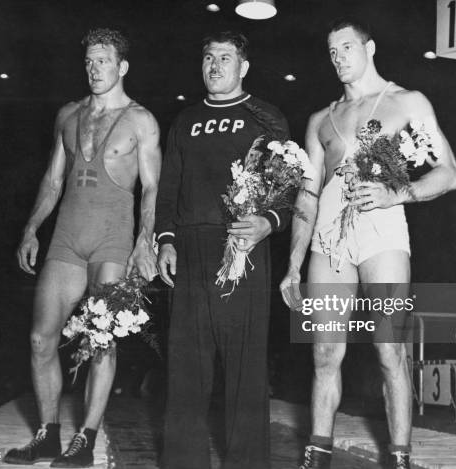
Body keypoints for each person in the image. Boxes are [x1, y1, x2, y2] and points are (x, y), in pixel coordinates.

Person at [280, 19, 456, 469]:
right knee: (324, 351)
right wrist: (293, 264)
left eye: (346, 47)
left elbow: (449, 173)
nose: (338, 57)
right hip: (328, 235)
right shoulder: (320, 120)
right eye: (331, 51)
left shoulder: (407, 101)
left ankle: (398, 457)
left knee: (389, 348)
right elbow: (307, 193)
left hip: (382, 229)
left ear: (370, 47)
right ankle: (317, 452)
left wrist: (398, 192)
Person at [5, 28, 161, 468]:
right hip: (67, 239)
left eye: (104, 61)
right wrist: (31, 228)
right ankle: (48, 434)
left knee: (101, 341)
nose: (94, 69)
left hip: (113, 240)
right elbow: (53, 180)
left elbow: (151, 188)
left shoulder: (141, 120)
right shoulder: (68, 116)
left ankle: (86, 439)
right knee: (40, 339)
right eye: (89, 61)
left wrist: (144, 241)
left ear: (122, 66)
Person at [155, 31, 290, 469]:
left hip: (242, 246)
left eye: (225, 58)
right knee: (186, 369)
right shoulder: (184, 120)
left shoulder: (266, 116)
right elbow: (167, 188)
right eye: (208, 57)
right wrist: (166, 240)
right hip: (190, 250)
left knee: (244, 369)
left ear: (243, 67)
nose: (215, 66)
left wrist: (267, 224)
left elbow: (289, 190)